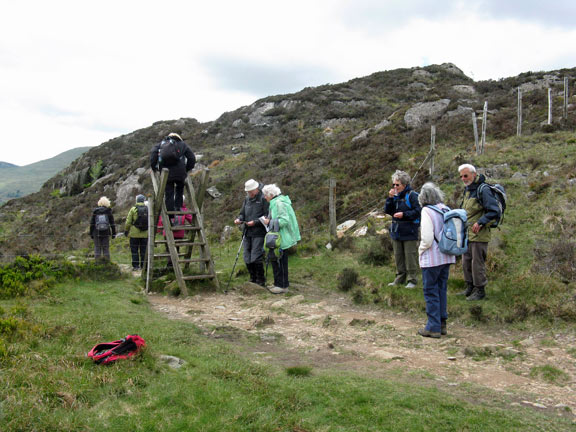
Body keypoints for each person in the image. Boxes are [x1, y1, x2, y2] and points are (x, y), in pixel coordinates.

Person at [417, 182, 456, 338]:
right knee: (441, 290)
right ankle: (442, 323)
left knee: (430, 291)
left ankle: (433, 327)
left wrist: (420, 250)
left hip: (432, 258)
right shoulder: (445, 208)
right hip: (447, 255)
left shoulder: (427, 211)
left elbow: (426, 238)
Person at [458, 164, 501, 301]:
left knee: (477, 264)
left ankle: (480, 290)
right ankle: (470, 287)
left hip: (480, 234)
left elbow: (494, 211)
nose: (463, 179)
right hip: (468, 234)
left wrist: (481, 222)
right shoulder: (467, 190)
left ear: (474, 174)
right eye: (461, 176)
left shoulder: (484, 190)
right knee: (466, 262)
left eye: (466, 175)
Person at [384, 170, 421, 289]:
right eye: (393, 184)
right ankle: (400, 278)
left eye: (397, 185)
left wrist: (404, 215)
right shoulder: (395, 196)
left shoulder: (413, 196)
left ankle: (412, 280)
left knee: (410, 256)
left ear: (404, 185)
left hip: (409, 231)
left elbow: (418, 211)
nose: (395, 187)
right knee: (398, 256)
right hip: (396, 231)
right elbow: (388, 211)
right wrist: (390, 198)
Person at [261, 184, 301, 294]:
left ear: (271, 195)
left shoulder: (278, 203)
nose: (264, 197)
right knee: (277, 259)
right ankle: (278, 284)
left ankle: (282, 285)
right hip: (279, 236)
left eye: (265, 195)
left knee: (280, 261)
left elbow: (284, 220)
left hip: (282, 237)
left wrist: (270, 222)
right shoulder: (276, 202)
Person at [234, 179, 269, 286]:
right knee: (246, 257)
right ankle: (252, 278)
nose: (249, 194)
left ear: (256, 189)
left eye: (250, 192)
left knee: (255, 257)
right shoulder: (247, 199)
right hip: (247, 232)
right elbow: (242, 213)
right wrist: (239, 219)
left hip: (259, 232)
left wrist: (255, 222)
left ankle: (261, 280)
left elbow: (267, 216)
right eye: (248, 192)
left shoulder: (264, 198)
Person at [150, 132, 196, 214]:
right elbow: (192, 158)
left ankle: (170, 215)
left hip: (166, 173)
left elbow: (153, 154)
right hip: (180, 173)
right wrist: (187, 169)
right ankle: (178, 208)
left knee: (169, 193)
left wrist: (154, 167)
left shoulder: (162, 144)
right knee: (179, 189)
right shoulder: (183, 144)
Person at [157, 196, 193, 268]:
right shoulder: (183, 209)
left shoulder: (168, 208)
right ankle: (176, 263)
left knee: (169, 249)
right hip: (179, 233)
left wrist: (158, 230)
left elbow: (161, 220)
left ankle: (170, 264)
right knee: (176, 248)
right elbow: (191, 219)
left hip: (168, 232)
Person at [124, 194, 148, 271]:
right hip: (145, 234)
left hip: (134, 234)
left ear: (137, 200)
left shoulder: (133, 209)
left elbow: (128, 222)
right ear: (143, 200)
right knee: (143, 250)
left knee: (134, 250)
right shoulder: (148, 209)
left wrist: (126, 231)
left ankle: (136, 266)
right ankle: (144, 266)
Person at [89, 196, 116, 261]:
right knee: (106, 248)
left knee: (97, 248)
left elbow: (92, 223)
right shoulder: (108, 211)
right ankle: (107, 263)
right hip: (106, 232)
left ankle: (97, 263)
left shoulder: (95, 211)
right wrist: (113, 233)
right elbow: (112, 223)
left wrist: (91, 233)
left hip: (96, 232)